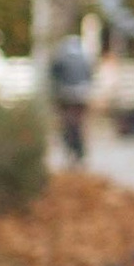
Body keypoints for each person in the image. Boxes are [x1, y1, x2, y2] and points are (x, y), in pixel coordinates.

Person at [47, 26, 94, 165]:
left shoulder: (61, 55)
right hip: (82, 95)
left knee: (67, 122)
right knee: (79, 122)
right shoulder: (84, 56)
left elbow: (53, 74)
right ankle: (79, 150)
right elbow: (90, 75)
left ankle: (71, 148)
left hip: (65, 95)